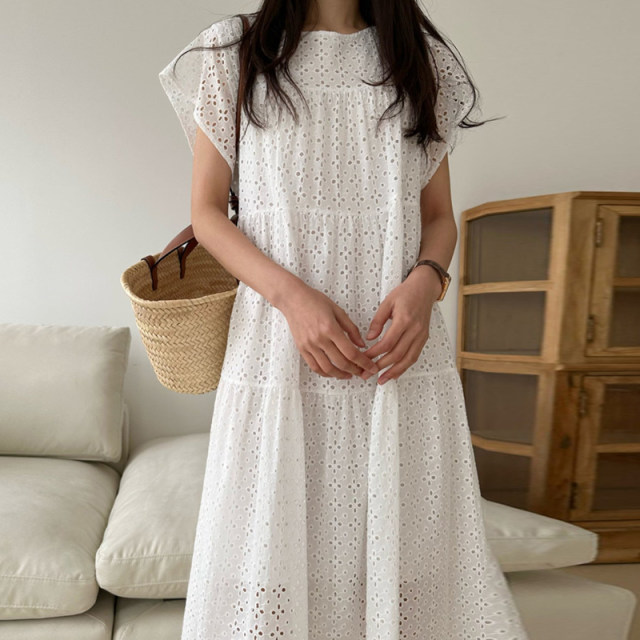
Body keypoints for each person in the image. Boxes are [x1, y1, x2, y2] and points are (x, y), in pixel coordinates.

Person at [159, 1, 530, 638]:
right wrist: (291, 300)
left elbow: (438, 217)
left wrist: (426, 283)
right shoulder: (233, 52)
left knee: (407, 562)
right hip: (279, 346)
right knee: (270, 556)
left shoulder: (419, 59)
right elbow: (208, 214)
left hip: (395, 352)